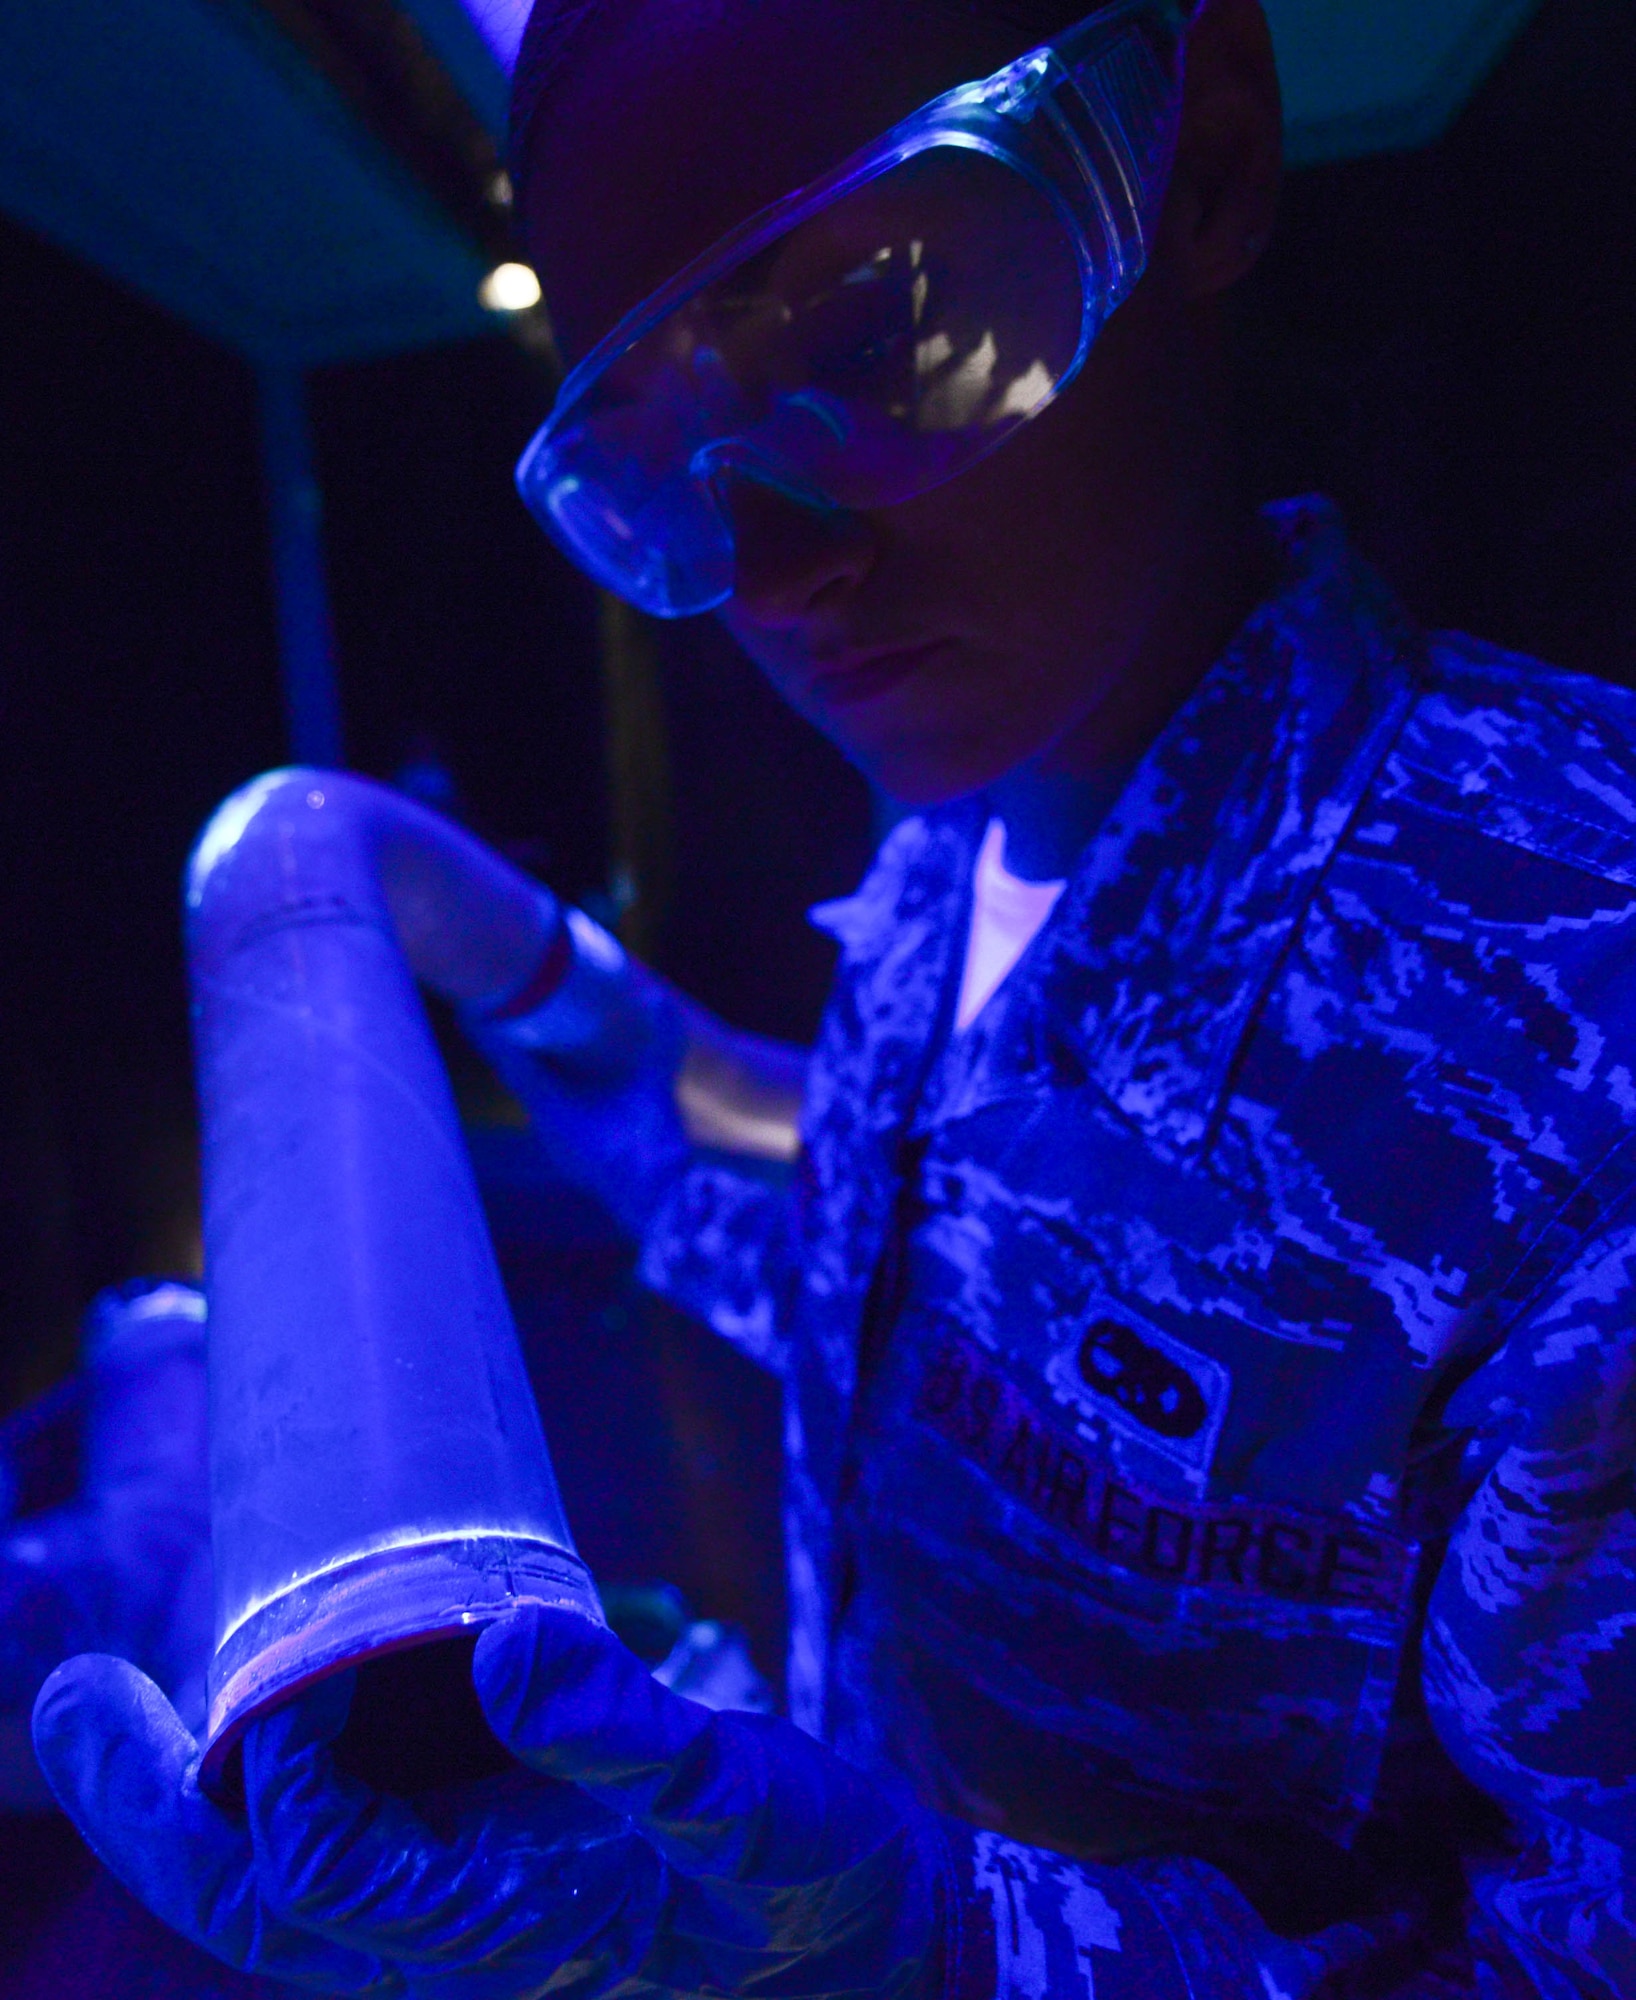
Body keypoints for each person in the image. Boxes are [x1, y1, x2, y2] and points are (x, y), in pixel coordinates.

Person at [29, 1, 1636, 1995]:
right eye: (657, 454)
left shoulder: (1577, 1024)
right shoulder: (943, 863)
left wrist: (930, 1948)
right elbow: (857, 1243)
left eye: (871, 335)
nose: (771, 567)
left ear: (1189, 154)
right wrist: (524, 966)